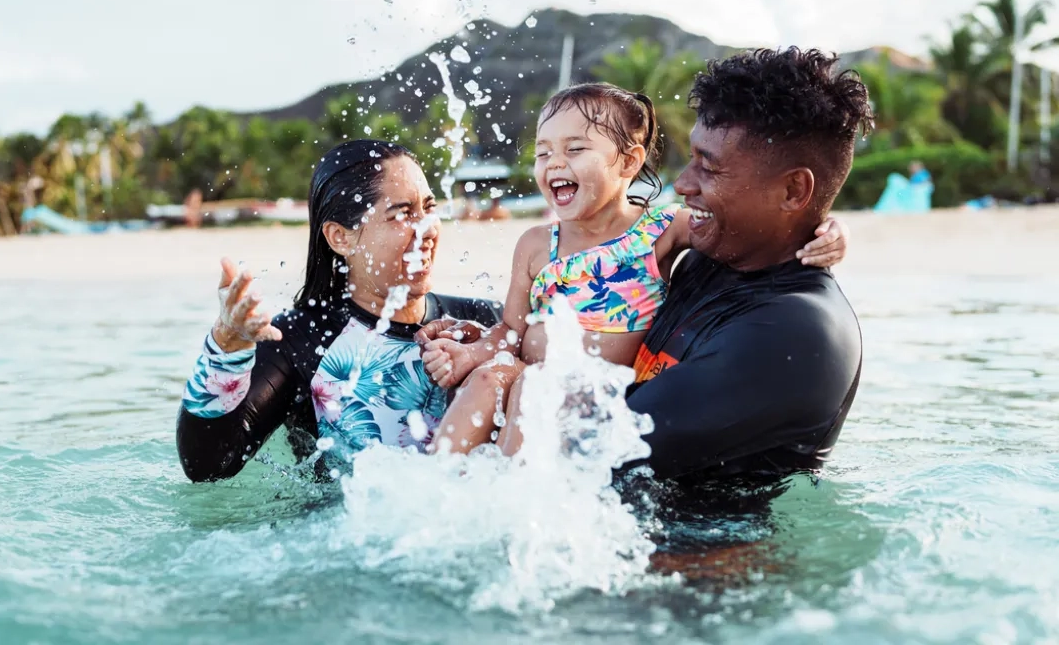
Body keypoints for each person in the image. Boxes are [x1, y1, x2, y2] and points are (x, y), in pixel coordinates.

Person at [422, 83, 849, 455]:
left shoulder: (658, 229)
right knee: (485, 380)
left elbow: (762, 222)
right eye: (543, 152)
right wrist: (470, 354)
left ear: (628, 163)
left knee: (534, 392)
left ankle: (507, 501)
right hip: (531, 370)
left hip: (597, 390)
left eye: (574, 149)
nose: (554, 163)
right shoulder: (535, 245)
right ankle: (440, 489)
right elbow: (510, 331)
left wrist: (829, 230)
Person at [606, 47, 869, 481]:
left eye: (709, 168)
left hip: (694, 548)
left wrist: (506, 374)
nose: (682, 183)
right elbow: (580, 314)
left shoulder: (797, 332)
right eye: (691, 159)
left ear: (792, 192)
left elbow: (600, 446)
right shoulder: (711, 258)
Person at [175, 140, 500, 482]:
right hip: (337, 528)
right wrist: (226, 349)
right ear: (340, 238)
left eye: (429, 208)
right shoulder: (300, 341)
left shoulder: (485, 322)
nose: (427, 228)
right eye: (402, 213)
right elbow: (207, 466)